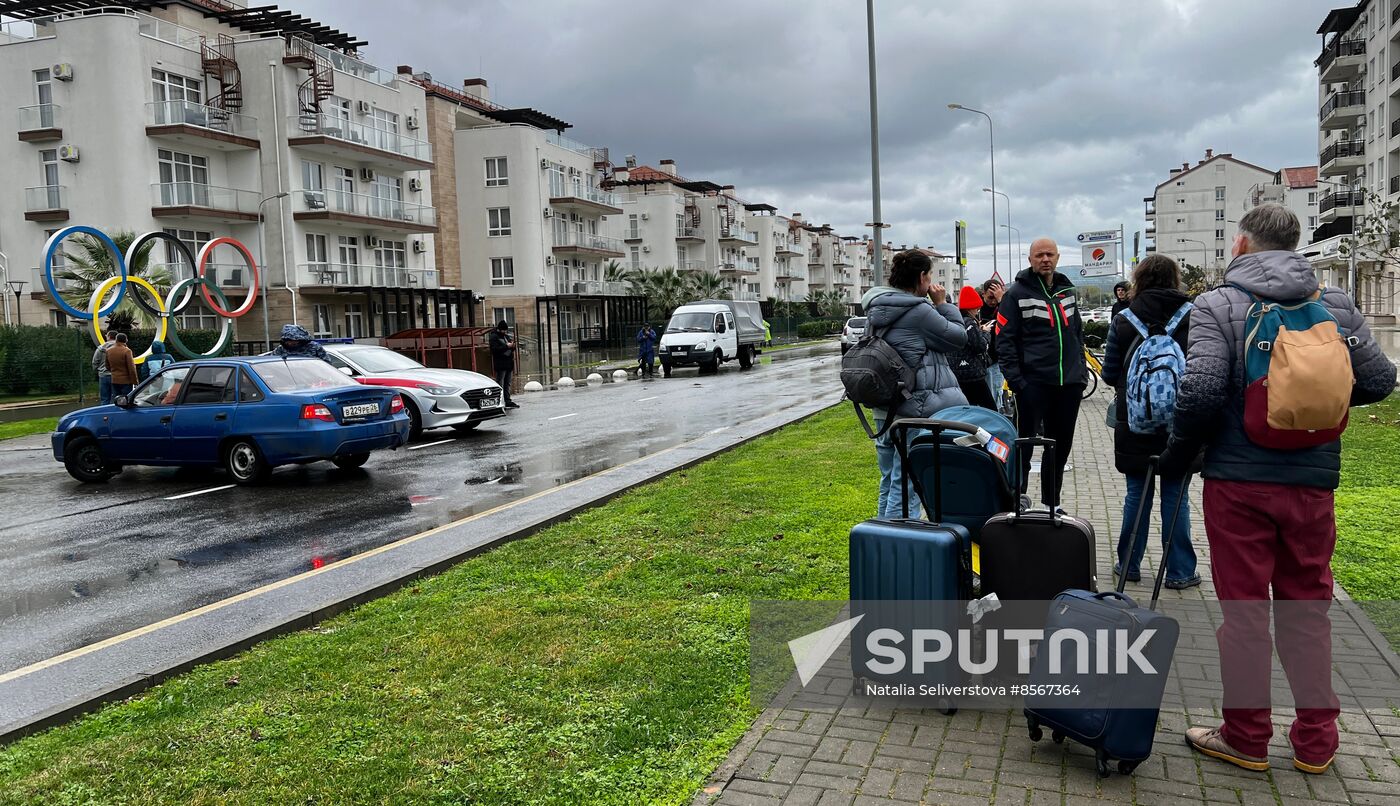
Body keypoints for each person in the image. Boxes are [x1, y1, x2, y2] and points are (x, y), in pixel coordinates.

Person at [1162, 204, 1395, 775]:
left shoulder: (1218, 304)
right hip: (1312, 482)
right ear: (1296, 245)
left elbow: (1200, 394)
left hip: (1238, 482)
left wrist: (1178, 452)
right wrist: (1316, 414)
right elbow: (1379, 380)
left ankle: (1245, 736)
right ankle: (1317, 741)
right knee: (1308, 612)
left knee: (1243, 614)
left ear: (1241, 245)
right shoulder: (1335, 304)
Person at [1099, 255, 1200, 590]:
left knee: (1135, 495)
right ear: (1175, 279)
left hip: (1134, 423)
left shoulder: (1125, 319)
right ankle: (1180, 572)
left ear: (1138, 279)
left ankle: (1129, 565)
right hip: (1180, 425)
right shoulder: (1192, 316)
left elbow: (1110, 373)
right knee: (1176, 496)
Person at [861, 250, 969, 518]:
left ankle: (884, 539)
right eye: (930, 274)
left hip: (883, 408)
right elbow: (958, 338)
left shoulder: (876, 307)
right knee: (907, 482)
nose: (931, 281)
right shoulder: (918, 311)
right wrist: (943, 304)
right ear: (922, 277)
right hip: (912, 408)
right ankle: (901, 541)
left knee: (889, 479)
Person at [997, 238, 1086, 508]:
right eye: (1039, 255)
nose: (1045, 259)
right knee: (1025, 445)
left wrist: (1080, 373)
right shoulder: (1016, 295)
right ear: (1030, 260)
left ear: (1057, 257)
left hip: (1068, 384)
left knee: (1059, 447)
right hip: (1033, 385)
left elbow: (1077, 333)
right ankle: (1017, 500)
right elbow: (1004, 341)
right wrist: (1018, 382)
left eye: (1049, 254)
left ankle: (1051, 504)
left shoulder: (1067, 290)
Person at [951, 285, 996, 410]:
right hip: (973, 373)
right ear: (972, 307)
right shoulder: (970, 323)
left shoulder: (956, 320)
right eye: (977, 307)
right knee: (990, 410)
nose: (978, 310)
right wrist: (986, 333)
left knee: (969, 409)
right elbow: (980, 346)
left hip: (959, 373)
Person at [979, 277, 1005, 400]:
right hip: (979, 361)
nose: (993, 301)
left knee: (995, 395)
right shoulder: (976, 309)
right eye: (990, 297)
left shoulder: (1004, 307)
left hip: (996, 360)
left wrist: (1002, 301)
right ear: (983, 293)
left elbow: (1010, 321)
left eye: (996, 298)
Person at [488, 321, 519, 409]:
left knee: (507, 383)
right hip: (500, 363)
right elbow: (494, 350)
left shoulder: (506, 336)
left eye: (506, 330)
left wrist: (512, 346)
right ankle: (499, 400)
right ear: (499, 329)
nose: (505, 332)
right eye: (503, 330)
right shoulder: (494, 337)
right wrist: (507, 346)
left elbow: (510, 347)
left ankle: (507, 400)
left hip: (508, 363)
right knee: (500, 383)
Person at [106, 332, 139, 401]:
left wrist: (113, 372)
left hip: (114, 379)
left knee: (116, 400)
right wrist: (135, 381)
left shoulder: (109, 351)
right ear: (126, 340)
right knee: (126, 400)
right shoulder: (127, 351)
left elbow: (107, 365)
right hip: (126, 381)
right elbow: (131, 368)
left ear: (116, 340)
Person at [92, 334, 116, 405]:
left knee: (104, 399)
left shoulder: (100, 349)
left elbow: (95, 362)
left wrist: (98, 370)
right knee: (115, 398)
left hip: (103, 375)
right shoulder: (120, 348)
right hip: (116, 375)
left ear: (108, 337)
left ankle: (105, 414)